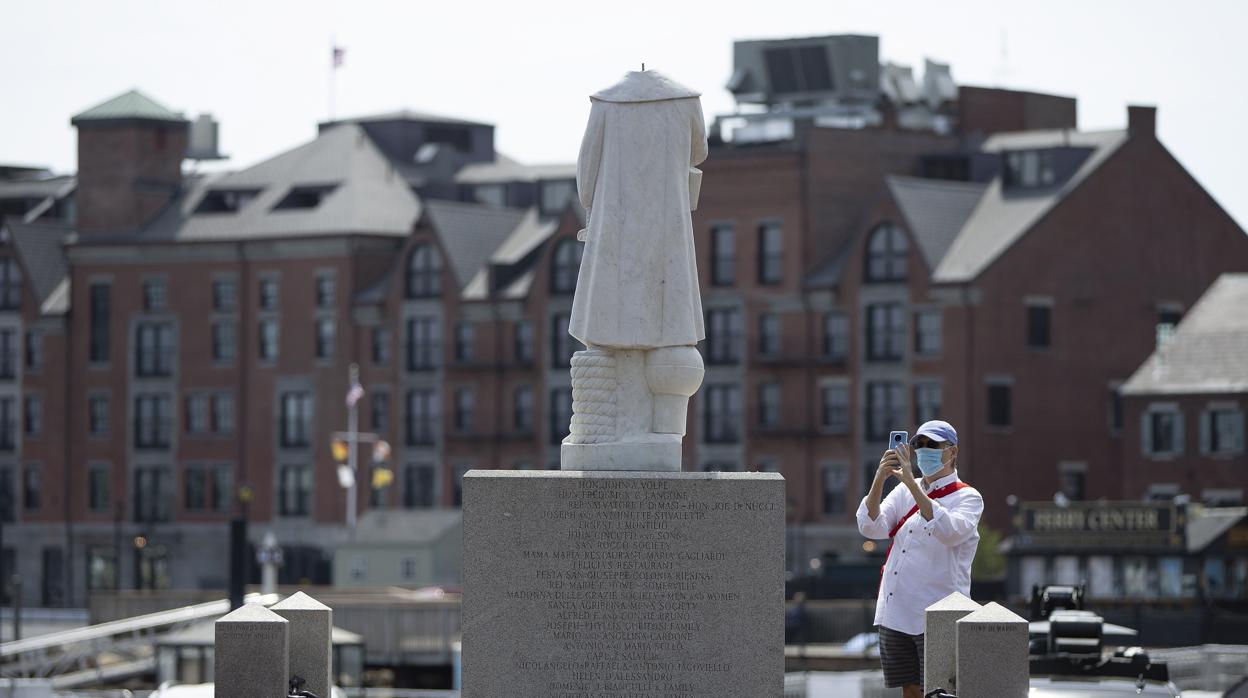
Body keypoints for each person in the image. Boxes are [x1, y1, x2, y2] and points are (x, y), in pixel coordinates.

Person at [856, 420, 983, 698]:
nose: (924, 451)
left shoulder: (968, 497)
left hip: (938, 613)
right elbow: (870, 526)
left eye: (933, 445)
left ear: (952, 452)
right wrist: (880, 476)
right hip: (897, 610)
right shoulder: (904, 490)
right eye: (919, 445)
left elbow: (949, 532)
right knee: (910, 690)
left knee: (940, 690)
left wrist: (912, 484)